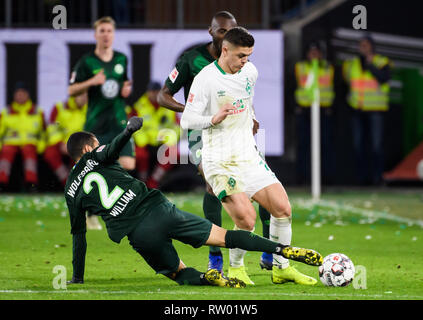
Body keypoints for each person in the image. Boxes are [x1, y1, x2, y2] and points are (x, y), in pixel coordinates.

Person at [65, 116, 323, 287]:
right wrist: (128, 131)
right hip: (160, 211)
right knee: (226, 237)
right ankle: (282, 250)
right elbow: (111, 150)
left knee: (177, 273)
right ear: (88, 149)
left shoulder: (70, 189)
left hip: (139, 233)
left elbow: (79, 236)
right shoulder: (96, 155)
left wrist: (77, 278)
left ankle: (208, 279)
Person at [180, 27, 319, 286]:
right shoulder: (206, 78)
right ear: (225, 50)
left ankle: (281, 268)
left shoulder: (250, 72)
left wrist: (251, 117)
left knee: (282, 209)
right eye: (241, 55)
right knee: (246, 218)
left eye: (249, 56)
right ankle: (236, 269)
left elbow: (248, 99)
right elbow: (187, 119)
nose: (245, 61)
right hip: (219, 161)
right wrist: (213, 118)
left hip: (248, 156)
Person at [157, 11, 273, 275]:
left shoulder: (239, 61)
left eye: (229, 31)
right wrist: (192, 110)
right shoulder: (191, 60)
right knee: (212, 185)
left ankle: (268, 248)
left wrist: (252, 116)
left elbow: (244, 92)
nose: (224, 36)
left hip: (237, 131)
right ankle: (215, 254)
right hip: (204, 132)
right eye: (220, 31)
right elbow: (163, 96)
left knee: (262, 181)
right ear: (211, 32)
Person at [68, 16, 134, 172]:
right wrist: (92, 81)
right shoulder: (87, 61)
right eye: (102, 31)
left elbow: (124, 83)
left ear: (114, 34)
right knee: (88, 163)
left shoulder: (121, 59)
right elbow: (71, 90)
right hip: (96, 122)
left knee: (128, 164)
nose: (106, 35)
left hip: (118, 120)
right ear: (95, 35)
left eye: (109, 31)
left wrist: (126, 89)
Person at [343, 35, 392, 185]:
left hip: (375, 109)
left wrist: (371, 66)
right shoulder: (351, 64)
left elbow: (384, 78)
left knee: (376, 146)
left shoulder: (382, 61)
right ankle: (361, 179)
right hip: (357, 109)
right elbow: (346, 83)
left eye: (366, 45)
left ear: (372, 46)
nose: (363, 48)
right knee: (358, 146)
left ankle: (377, 178)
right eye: (361, 45)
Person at [294, 41, 336, 185]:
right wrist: (296, 107)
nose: (314, 54)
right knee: (304, 146)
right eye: (311, 52)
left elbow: (336, 87)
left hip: (323, 110)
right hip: (305, 111)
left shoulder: (329, 68)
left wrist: (331, 107)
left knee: (325, 145)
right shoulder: (300, 67)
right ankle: (304, 178)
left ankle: (326, 178)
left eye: (316, 51)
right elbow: (291, 86)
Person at [128, 81, 180, 188]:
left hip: (162, 142)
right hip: (145, 143)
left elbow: (177, 126)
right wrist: (142, 140)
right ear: (148, 92)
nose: (154, 94)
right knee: (140, 154)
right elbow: (133, 127)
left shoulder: (168, 105)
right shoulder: (139, 106)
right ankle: (142, 182)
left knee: (173, 153)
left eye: (156, 92)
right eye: (152, 92)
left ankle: (153, 182)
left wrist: (169, 139)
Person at [0, 82, 46, 192]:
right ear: (14, 96)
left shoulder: (37, 111)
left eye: (23, 93)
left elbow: (44, 133)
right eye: (18, 93)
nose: (20, 96)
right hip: (11, 143)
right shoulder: (6, 112)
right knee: (6, 151)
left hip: (30, 143)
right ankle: (1, 183)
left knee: (29, 151)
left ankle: (31, 184)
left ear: (28, 95)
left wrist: (41, 145)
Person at [44, 92, 88, 187]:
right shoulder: (59, 108)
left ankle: (77, 184)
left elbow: (93, 131)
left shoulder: (91, 110)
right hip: (61, 143)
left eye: (87, 95)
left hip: (81, 144)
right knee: (50, 153)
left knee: (82, 154)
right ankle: (66, 181)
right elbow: (52, 129)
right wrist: (61, 143)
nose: (85, 98)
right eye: (82, 94)